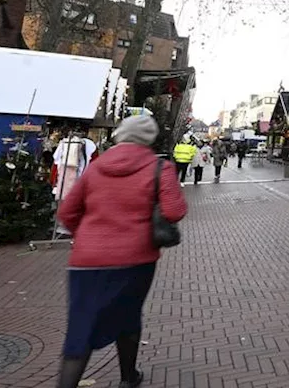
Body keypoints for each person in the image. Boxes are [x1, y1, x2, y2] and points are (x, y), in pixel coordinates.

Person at [55, 115, 186, 388]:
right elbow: (175, 211)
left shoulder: (96, 167)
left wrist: (88, 237)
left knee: (81, 325)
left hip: (85, 260)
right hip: (135, 259)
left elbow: (67, 211)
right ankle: (128, 377)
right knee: (128, 315)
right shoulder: (160, 167)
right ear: (150, 138)